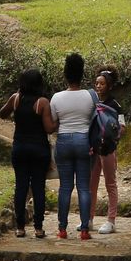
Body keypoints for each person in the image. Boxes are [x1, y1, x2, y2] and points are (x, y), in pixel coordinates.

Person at [0, 68, 56, 238]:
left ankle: (20, 227)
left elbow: (2, 114)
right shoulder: (42, 103)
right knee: (38, 188)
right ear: (39, 84)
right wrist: (58, 122)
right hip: (39, 151)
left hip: (20, 149)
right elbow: (49, 129)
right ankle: (38, 228)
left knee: (21, 187)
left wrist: (15, 100)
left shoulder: (15, 99)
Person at [48, 52, 96, 239]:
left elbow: (53, 124)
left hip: (64, 141)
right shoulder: (90, 96)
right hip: (84, 141)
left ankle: (62, 229)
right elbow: (95, 120)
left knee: (65, 187)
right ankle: (84, 230)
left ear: (65, 74)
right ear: (82, 73)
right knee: (84, 187)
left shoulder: (56, 97)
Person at [88, 68, 126, 234]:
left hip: (108, 149)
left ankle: (111, 221)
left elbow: (122, 127)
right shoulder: (92, 103)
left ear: (109, 86)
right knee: (91, 184)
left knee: (110, 184)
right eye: (97, 83)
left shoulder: (115, 105)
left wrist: (111, 137)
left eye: (102, 84)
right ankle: (88, 219)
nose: (98, 86)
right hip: (93, 148)